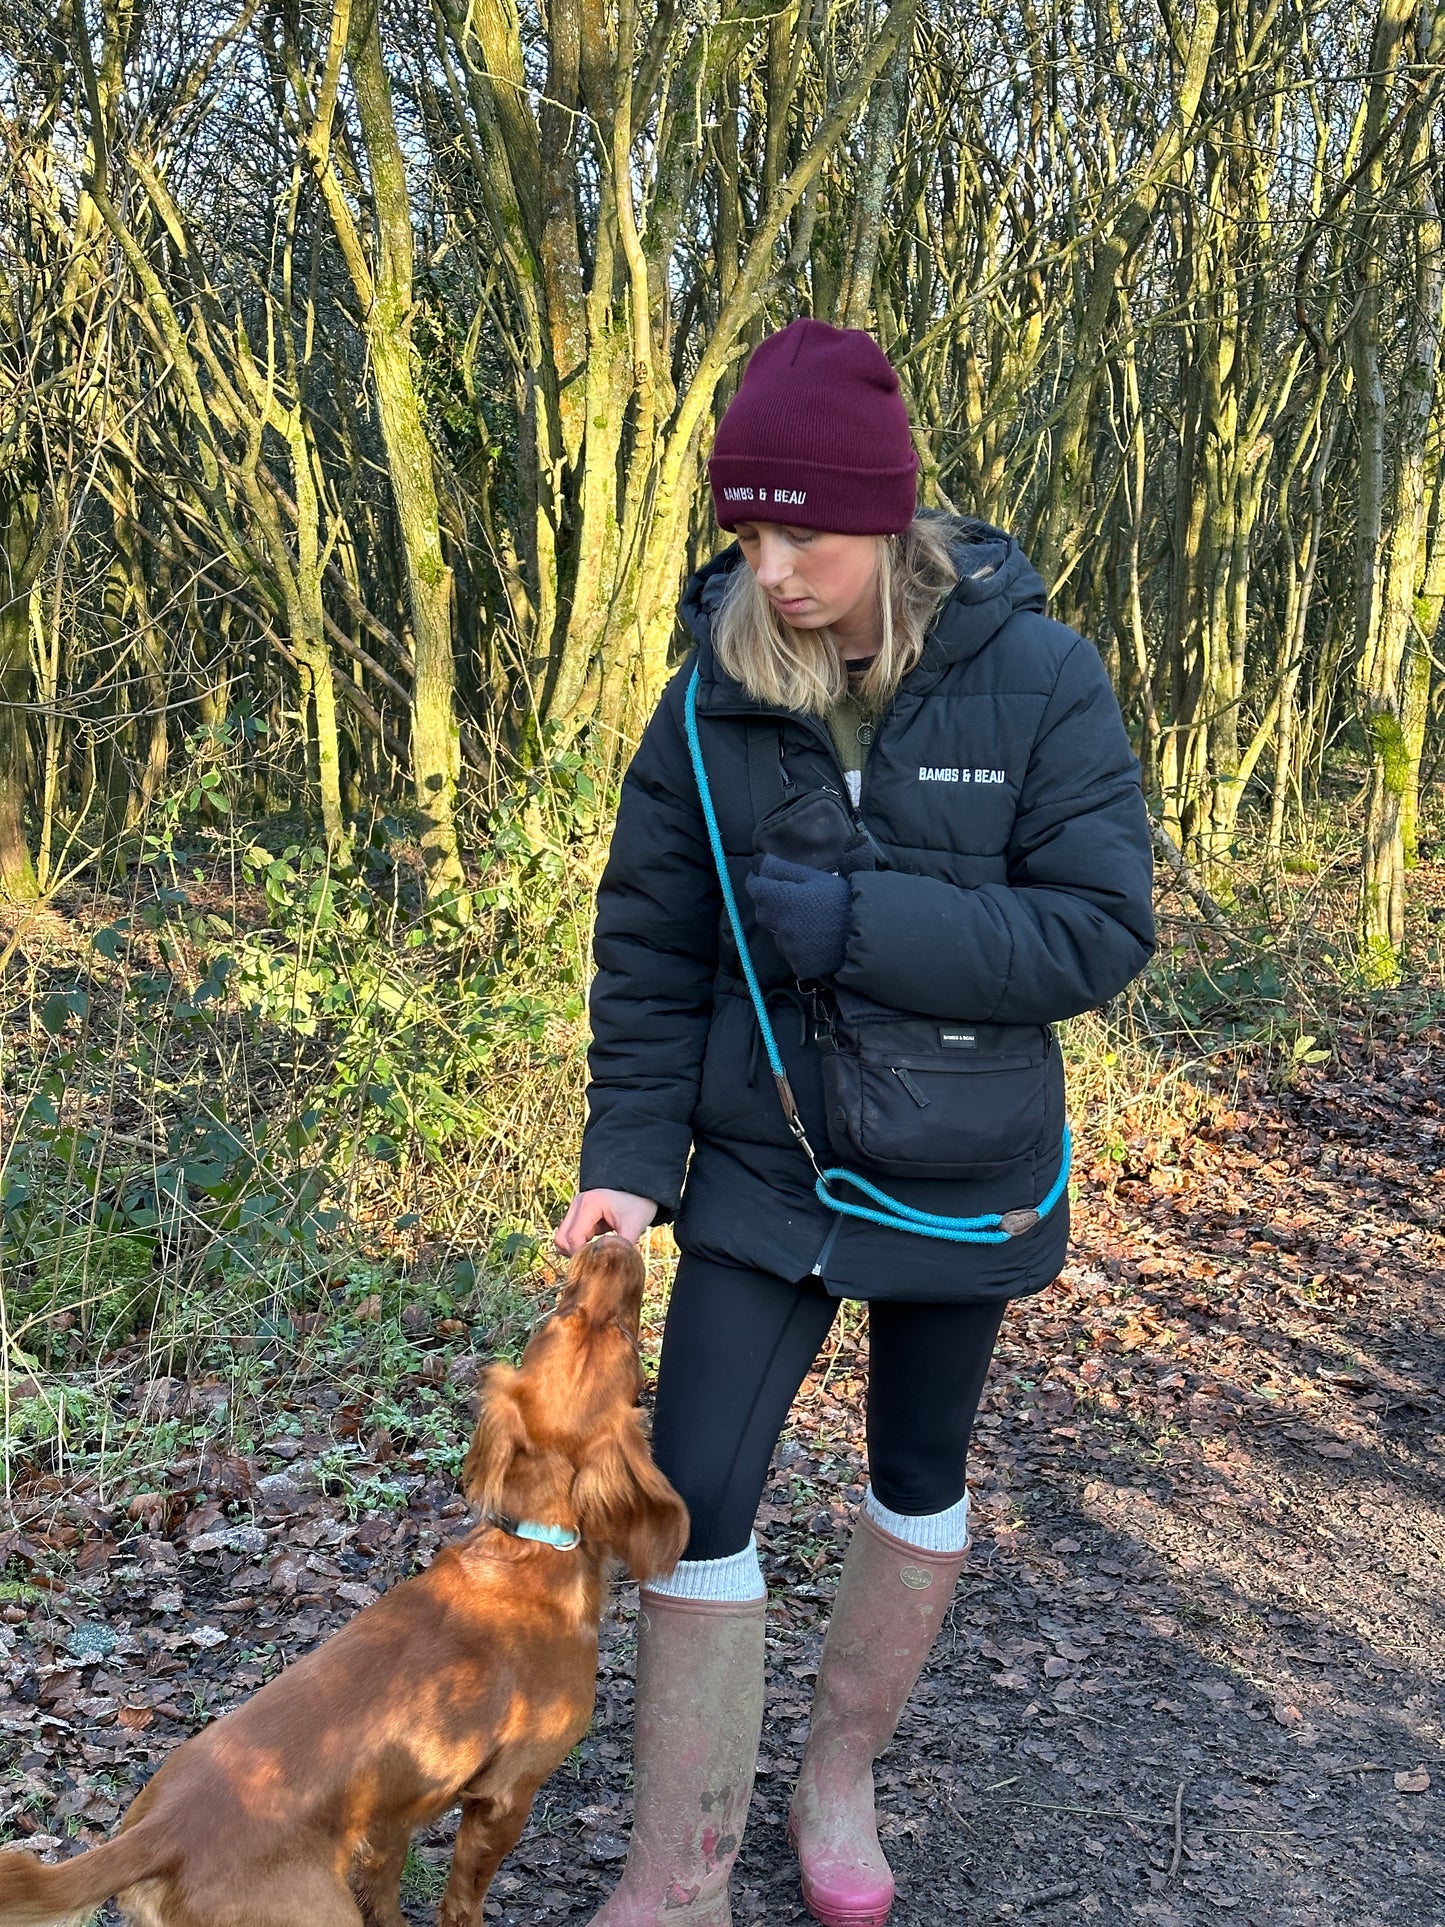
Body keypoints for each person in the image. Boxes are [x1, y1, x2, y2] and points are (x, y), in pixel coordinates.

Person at [555, 318, 1155, 1927]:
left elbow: (1098, 932)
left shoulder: (1038, 676)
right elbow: (652, 942)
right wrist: (624, 1164)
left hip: (964, 1175)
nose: (771, 567)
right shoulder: (706, 706)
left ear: (886, 519)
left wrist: (864, 922)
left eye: (801, 532)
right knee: (696, 1493)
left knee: (916, 1472)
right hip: (762, 1166)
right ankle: (676, 1868)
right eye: (745, 532)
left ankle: (838, 1778)